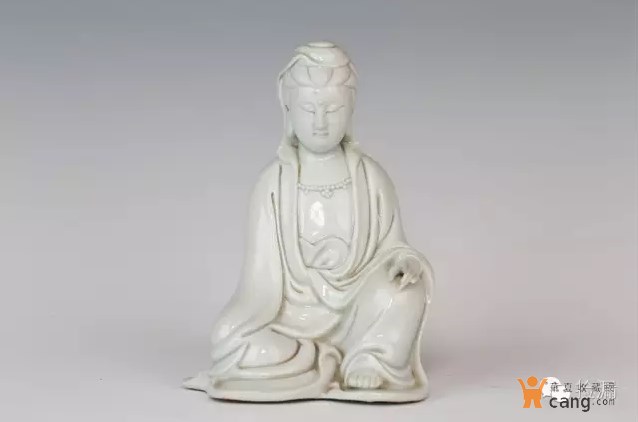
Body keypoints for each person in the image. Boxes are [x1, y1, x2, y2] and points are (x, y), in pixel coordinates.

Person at [184, 42, 434, 402]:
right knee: (226, 335)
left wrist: (405, 263)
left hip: (357, 312)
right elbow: (259, 281)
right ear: (288, 110)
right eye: (308, 109)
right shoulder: (272, 184)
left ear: (350, 110)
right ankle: (320, 356)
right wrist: (249, 317)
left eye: (332, 109)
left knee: (408, 291)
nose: (320, 122)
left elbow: (393, 248)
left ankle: (370, 359)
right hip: (288, 317)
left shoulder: (371, 179)